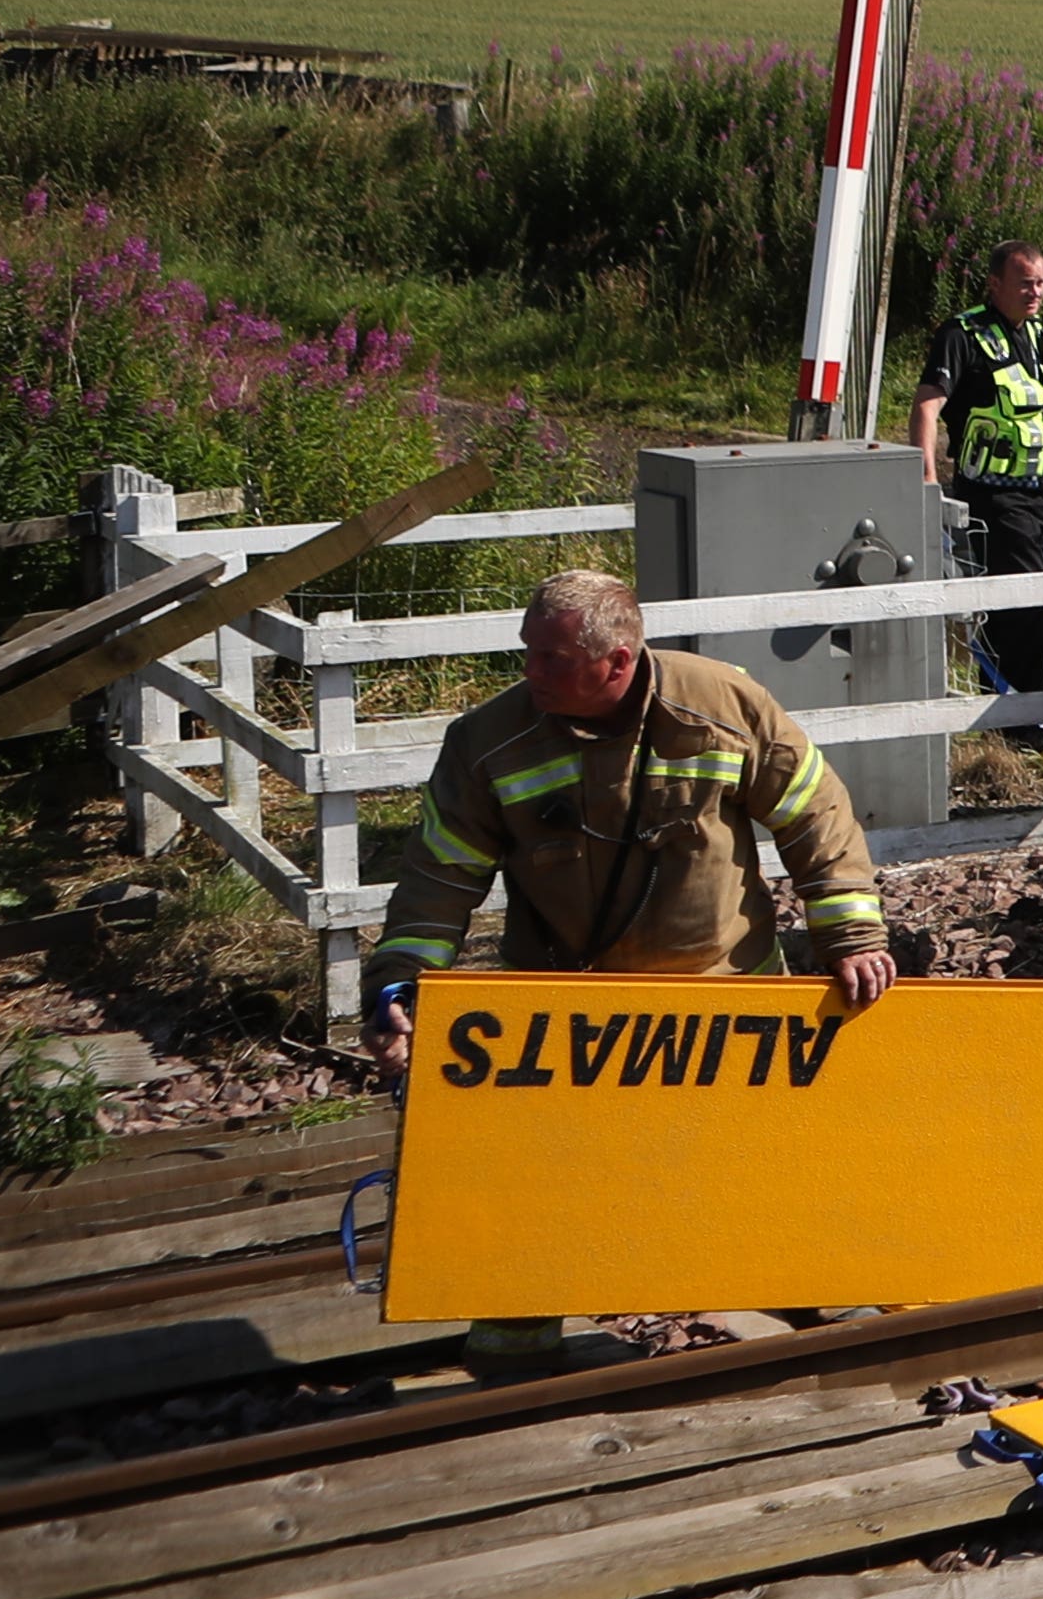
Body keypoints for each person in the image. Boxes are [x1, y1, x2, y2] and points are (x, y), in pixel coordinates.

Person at [364, 569, 893, 1366]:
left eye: (551, 658)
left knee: (768, 1157)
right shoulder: (489, 743)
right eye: (528, 653)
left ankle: (823, 1290)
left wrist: (851, 934)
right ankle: (515, 1341)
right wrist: (401, 982)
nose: (530, 673)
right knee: (539, 1178)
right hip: (565, 1007)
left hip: (722, 989)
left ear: (618, 661)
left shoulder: (722, 707)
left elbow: (816, 812)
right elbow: (439, 879)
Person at [911, 237, 1043, 719]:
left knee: (1040, 603)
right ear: (995, 283)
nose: (1034, 293)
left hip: (1041, 492)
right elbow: (926, 406)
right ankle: (1017, 718)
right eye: (1024, 283)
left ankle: (1024, 711)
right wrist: (927, 482)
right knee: (1018, 606)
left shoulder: (1039, 334)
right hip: (992, 497)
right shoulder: (961, 335)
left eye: (1041, 284)